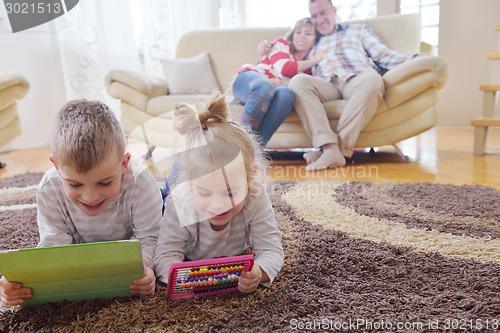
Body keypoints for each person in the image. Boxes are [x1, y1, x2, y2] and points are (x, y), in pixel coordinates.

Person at [0, 100, 162, 306]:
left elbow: (150, 239)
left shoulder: (143, 185)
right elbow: (53, 246)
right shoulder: (49, 188)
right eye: (75, 184)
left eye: (105, 182)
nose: (90, 197)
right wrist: (21, 280)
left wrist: (145, 269)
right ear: (56, 167)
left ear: (124, 164)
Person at [259, 0, 427, 171]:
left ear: (334, 10)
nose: (319, 19)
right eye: (314, 16)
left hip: (357, 77)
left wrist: (411, 59)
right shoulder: (312, 38)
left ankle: (331, 151)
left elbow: (383, 55)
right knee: (298, 81)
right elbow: (288, 51)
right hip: (325, 83)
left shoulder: (358, 30)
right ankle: (330, 150)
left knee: (373, 80)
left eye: (323, 13)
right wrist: (266, 48)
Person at [154, 91, 284, 293]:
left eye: (230, 193)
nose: (217, 205)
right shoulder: (179, 203)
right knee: (164, 194)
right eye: (205, 193)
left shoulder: (255, 196)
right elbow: (164, 255)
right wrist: (185, 280)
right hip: (182, 206)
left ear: (250, 179)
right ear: (190, 182)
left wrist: (260, 271)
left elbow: (271, 249)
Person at [233, 17, 325, 147]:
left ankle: (253, 151)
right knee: (265, 85)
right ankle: (240, 145)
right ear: (293, 35)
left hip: (271, 95)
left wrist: (287, 86)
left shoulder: (307, 74)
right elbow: (285, 68)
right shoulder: (281, 44)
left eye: (308, 33)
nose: (301, 36)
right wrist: (315, 60)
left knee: (286, 93)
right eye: (298, 32)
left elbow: (297, 92)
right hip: (249, 82)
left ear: (315, 41)